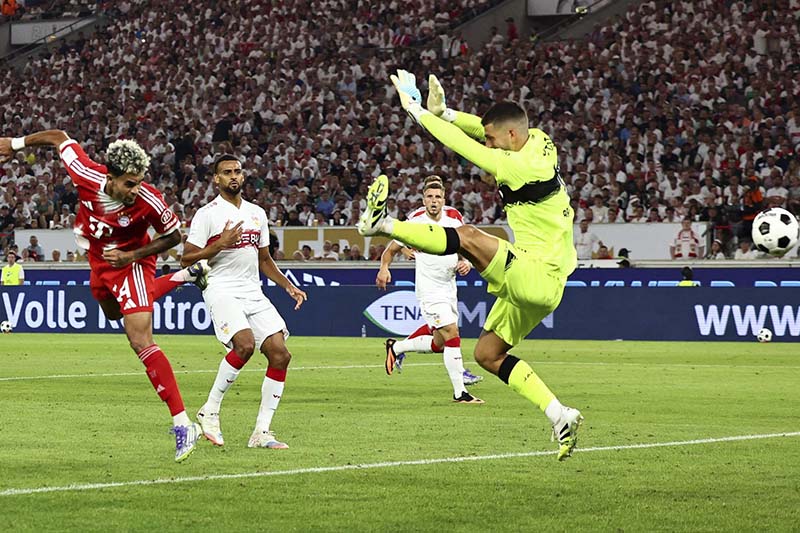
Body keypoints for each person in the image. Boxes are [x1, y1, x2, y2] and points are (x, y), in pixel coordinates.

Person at [359, 70, 583, 461]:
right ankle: (559, 414)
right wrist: (445, 112)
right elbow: (479, 131)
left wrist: (415, 109)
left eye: (494, 140)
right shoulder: (541, 142)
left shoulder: (517, 166)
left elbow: (462, 145)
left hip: (538, 275)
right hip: (545, 278)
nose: (490, 144)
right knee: (488, 354)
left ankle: (383, 225)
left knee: (467, 235)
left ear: (511, 137)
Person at [0, 130, 210, 462]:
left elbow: (172, 236)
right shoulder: (85, 173)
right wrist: (15, 145)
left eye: (140, 182)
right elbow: (58, 137)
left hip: (132, 263)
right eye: (129, 183)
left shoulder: (150, 200)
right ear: (109, 178)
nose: (135, 189)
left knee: (139, 339)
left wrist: (133, 256)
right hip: (99, 262)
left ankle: (183, 423)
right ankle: (186, 276)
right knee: (113, 313)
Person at [181, 155, 307, 450]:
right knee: (245, 345)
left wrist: (288, 286)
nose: (233, 176)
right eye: (227, 172)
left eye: (237, 171)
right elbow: (186, 257)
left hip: (252, 291)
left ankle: (261, 432)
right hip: (220, 288)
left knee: (280, 354)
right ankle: (210, 410)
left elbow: (264, 259)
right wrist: (219, 245)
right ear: (216, 179)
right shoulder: (207, 214)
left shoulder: (257, 213)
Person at [377, 175, 483, 404]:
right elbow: (390, 249)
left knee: (440, 343)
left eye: (438, 197)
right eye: (429, 197)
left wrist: (467, 262)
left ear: (444, 199)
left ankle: (397, 347)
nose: (434, 201)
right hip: (429, 290)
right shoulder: (415, 221)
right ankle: (460, 393)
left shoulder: (454, 218)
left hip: (449, 287)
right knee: (452, 333)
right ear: (423, 200)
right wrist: (384, 268)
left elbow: (468, 246)